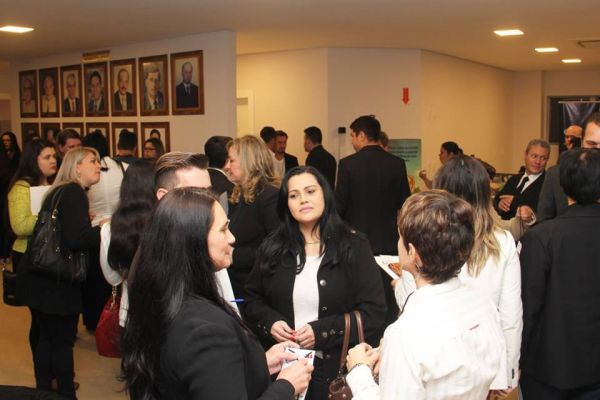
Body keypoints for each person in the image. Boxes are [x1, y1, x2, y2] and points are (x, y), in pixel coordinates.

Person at [121, 187, 314, 399]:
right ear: (194, 240)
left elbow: (209, 376)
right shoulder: (206, 331)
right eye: (223, 230)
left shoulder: (166, 300)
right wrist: (286, 385)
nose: (232, 238)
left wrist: (258, 364)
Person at [345, 190, 505, 399]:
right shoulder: (484, 306)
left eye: (400, 237)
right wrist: (391, 356)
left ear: (412, 253)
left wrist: (359, 371)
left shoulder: (406, 333)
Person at [245, 166, 386, 399]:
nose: (303, 199)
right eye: (294, 195)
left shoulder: (354, 246)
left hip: (335, 373)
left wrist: (321, 332)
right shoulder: (272, 248)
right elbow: (252, 299)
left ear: (325, 194)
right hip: (284, 370)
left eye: (310, 191)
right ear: (286, 203)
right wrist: (270, 322)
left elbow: (374, 312)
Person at [16, 147, 105, 399]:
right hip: (57, 281)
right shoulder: (74, 192)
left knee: (45, 338)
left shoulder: (57, 190)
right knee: (62, 343)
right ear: (77, 167)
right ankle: (65, 393)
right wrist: (103, 229)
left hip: (38, 276)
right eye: (92, 161)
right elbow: (76, 240)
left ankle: (44, 390)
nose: (98, 165)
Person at [433, 155, 522, 397]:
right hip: (486, 363)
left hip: (437, 361)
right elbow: (511, 316)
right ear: (485, 193)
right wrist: (509, 372)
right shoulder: (502, 241)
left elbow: (413, 305)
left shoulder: (429, 238)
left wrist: (399, 284)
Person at [520, 148, 600, 399]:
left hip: (549, 366)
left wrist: (517, 358)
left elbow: (529, 306)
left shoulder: (541, 237)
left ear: (563, 185)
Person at [335, 115, 411, 330]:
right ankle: (386, 335)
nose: (351, 141)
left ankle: (362, 336)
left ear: (362, 135)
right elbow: (405, 205)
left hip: (356, 243)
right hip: (388, 243)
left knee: (358, 296)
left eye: (352, 136)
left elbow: (338, 207)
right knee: (388, 296)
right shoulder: (396, 164)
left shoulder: (348, 165)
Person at [7, 139, 57, 362]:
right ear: (33, 160)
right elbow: (20, 225)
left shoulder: (52, 183)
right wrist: (54, 218)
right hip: (28, 256)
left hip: (49, 255)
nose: (53, 160)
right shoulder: (21, 188)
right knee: (40, 319)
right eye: (47, 157)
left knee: (51, 318)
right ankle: (43, 371)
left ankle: (52, 366)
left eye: (54, 156)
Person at [99, 159, 156, 328]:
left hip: (131, 310)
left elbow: (112, 278)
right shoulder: (170, 221)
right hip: (170, 312)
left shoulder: (110, 228)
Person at [224, 135, 280, 300]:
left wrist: (235, 255)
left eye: (231, 161)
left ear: (248, 161)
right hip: (241, 285)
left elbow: (278, 250)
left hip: (257, 291)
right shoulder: (239, 194)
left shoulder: (270, 196)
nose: (226, 167)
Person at [537, 112, 600, 222]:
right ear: (582, 142)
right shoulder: (555, 176)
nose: (597, 151)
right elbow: (544, 222)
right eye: (592, 144)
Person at [494, 139, 550, 238]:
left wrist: (514, 202)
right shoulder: (513, 179)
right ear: (525, 155)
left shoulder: (548, 184)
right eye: (534, 156)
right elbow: (498, 198)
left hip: (530, 239)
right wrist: (500, 204)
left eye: (543, 158)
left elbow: (542, 212)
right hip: (502, 236)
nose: (538, 162)